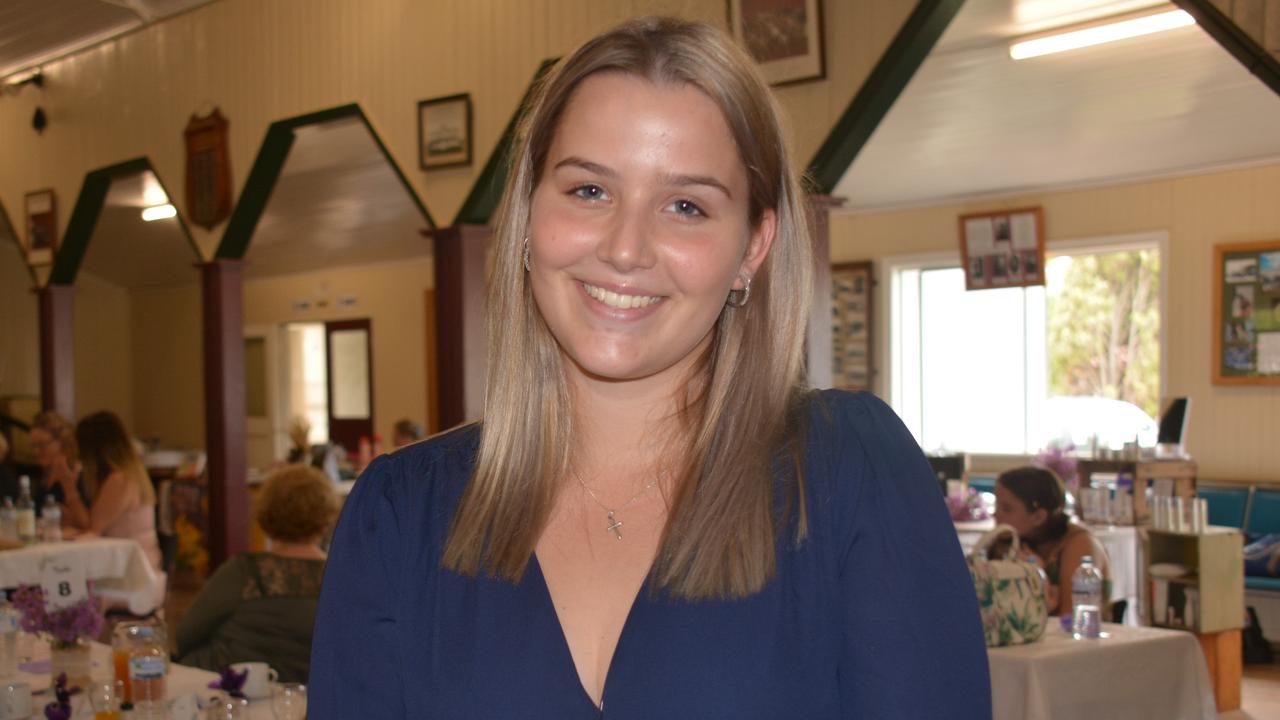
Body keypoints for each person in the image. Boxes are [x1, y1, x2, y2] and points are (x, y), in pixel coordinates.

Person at [311, 17, 988, 718]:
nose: (627, 248)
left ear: (753, 248)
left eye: (686, 205)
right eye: (589, 191)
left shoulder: (848, 475)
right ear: (527, 215)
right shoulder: (400, 513)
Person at [176, 465, 335, 682]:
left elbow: (186, 634)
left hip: (230, 688)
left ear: (266, 513)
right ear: (326, 517)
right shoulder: (338, 579)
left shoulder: (244, 572)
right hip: (306, 697)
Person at [993, 466, 1111, 616]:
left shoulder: (1079, 544)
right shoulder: (1011, 543)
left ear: (1038, 517)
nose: (995, 514)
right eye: (996, 505)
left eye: (1006, 508)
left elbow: (1071, 618)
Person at [64, 411, 163, 575]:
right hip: (136, 562)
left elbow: (92, 528)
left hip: (132, 571)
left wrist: (68, 486)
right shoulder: (130, 473)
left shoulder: (120, 480)